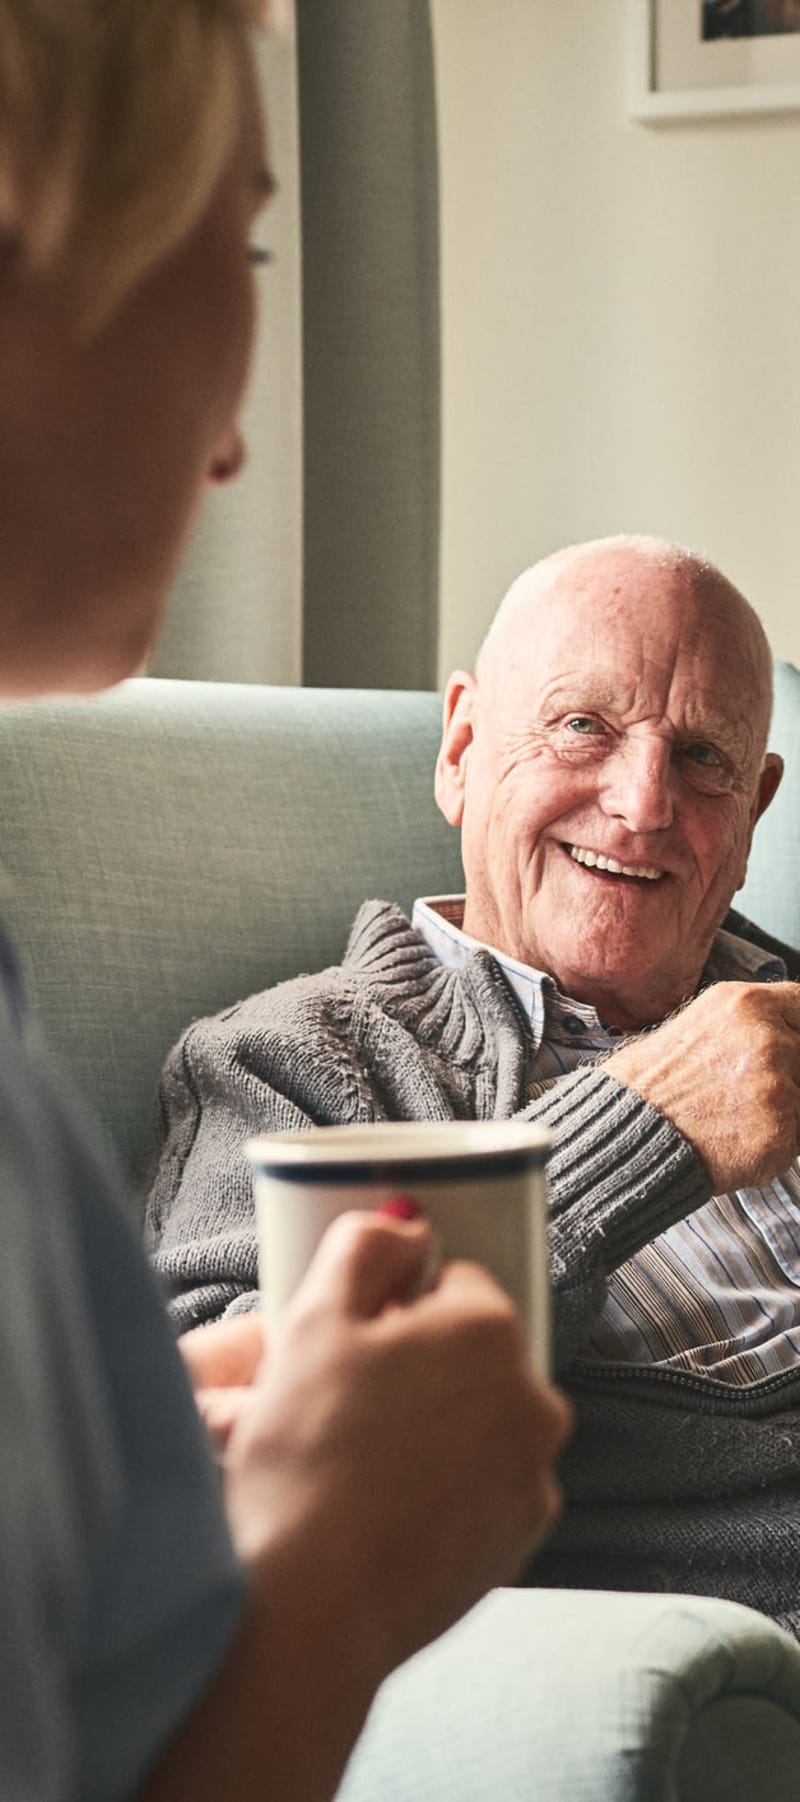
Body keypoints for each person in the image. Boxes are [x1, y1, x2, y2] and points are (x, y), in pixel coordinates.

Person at [0, 6, 571, 1799]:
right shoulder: (294, 1051)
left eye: (718, 756)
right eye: (237, 247)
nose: (239, 443)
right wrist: (337, 1561)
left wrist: (156, 1435)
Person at [147, 531, 800, 1641]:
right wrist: (642, 1125)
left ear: (752, 812)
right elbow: (224, 1452)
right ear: (458, 747)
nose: (642, 802)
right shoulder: (295, 1056)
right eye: (581, 724)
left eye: (701, 757)